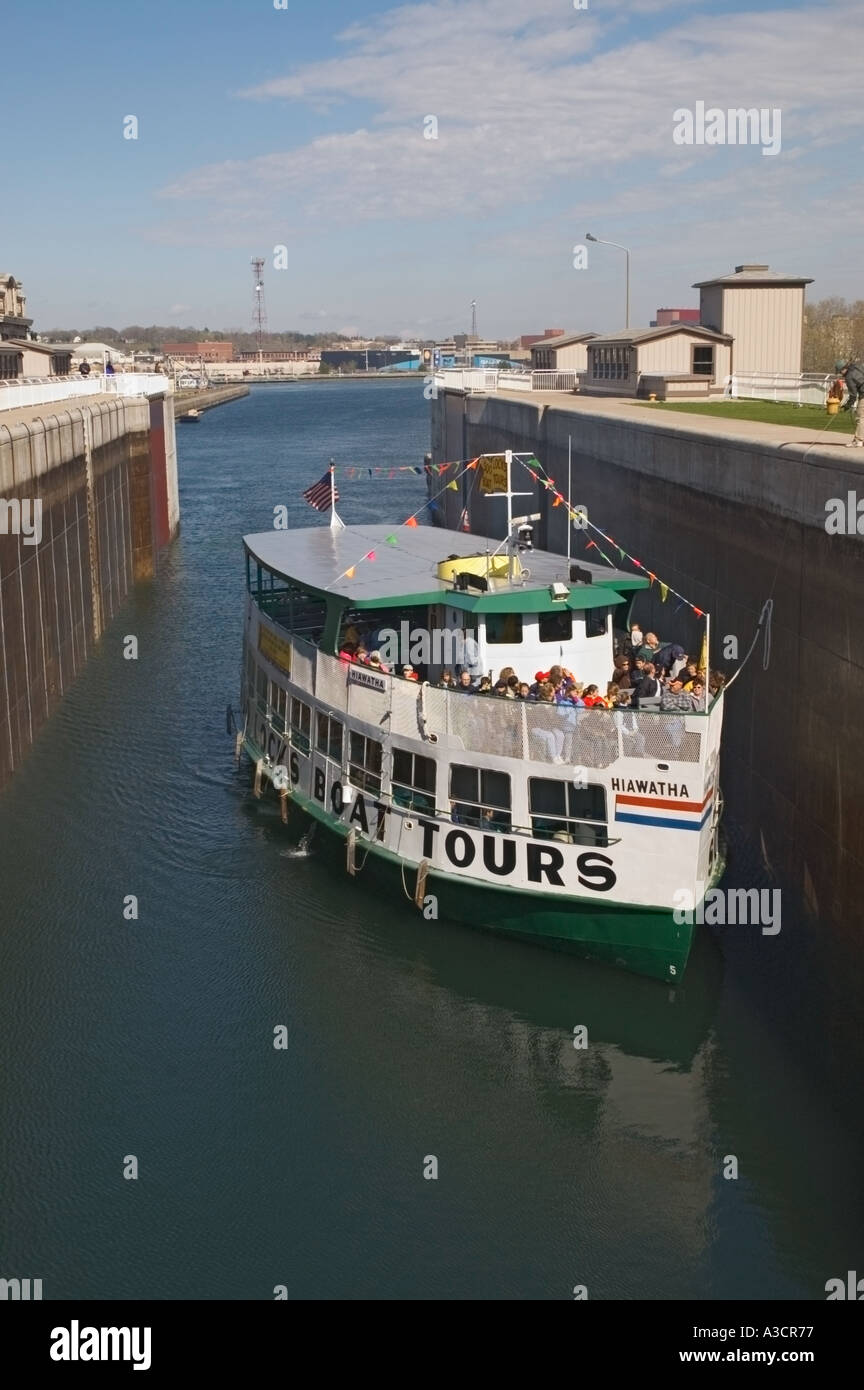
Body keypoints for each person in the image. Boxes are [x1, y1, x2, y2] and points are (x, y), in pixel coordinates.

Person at [840, 359, 864, 447]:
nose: (840, 374)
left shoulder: (849, 377)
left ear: (843, 369)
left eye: (840, 371)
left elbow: (853, 395)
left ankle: (858, 441)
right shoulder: (857, 366)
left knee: (860, 417)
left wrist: (847, 405)